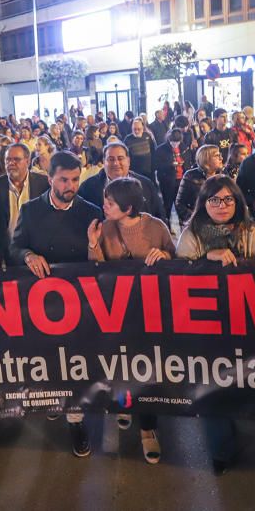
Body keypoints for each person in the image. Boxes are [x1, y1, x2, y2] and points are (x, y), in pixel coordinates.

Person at [174, 176, 255, 474]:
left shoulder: (252, 231)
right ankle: (221, 450)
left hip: (247, 320)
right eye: (214, 200)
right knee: (212, 384)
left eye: (228, 199)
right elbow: (176, 276)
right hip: (205, 324)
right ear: (203, 203)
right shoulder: (191, 235)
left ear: (238, 202)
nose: (222, 205)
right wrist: (206, 259)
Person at [11, 151, 102, 458]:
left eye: (75, 179)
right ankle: (55, 401)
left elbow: (99, 260)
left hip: (79, 302)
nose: (70, 185)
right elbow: (15, 246)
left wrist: (93, 245)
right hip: (41, 303)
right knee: (49, 360)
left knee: (74, 362)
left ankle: (76, 420)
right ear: (49, 179)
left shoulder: (91, 211)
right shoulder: (30, 209)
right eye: (63, 179)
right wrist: (28, 256)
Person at [86, 177, 173, 464]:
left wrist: (165, 255)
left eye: (110, 203)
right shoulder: (105, 227)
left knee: (148, 370)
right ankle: (124, 405)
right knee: (121, 366)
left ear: (128, 206)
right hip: (117, 313)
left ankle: (148, 429)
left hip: (150, 312)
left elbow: (176, 261)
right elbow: (96, 270)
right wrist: (93, 244)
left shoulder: (156, 227)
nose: (104, 206)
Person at [0, 143, 50, 264]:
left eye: (16, 159)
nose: (11, 163)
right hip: (7, 254)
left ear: (27, 162)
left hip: (38, 254)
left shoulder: (43, 183)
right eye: (8, 160)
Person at [77, 142, 166, 224]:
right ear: (104, 162)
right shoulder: (87, 188)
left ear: (128, 161)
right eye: (111, 159)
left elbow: (159, 216)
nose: (116, 163)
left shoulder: (146, 185)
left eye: (120, 158)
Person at [174, 145, 223, 225]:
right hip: (198, 224)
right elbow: (179, 204)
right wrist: (195, 219)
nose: (221, 158)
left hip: (219, 223)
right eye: (217, 156)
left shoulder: (223, 174)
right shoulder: (190, 176)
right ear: (206, 159)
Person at [153, 128, 186, 223]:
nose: (175, 145)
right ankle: (167, 225)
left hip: (181, 180)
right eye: (173, 142)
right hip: (167, 181)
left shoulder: (183, 147)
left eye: (177, 142)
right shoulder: (161, 149)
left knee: (180, 204)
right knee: (167, 205)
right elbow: (156, 165)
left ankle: (182, 224)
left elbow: (188, 160)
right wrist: (171, 164)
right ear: (168, 139)